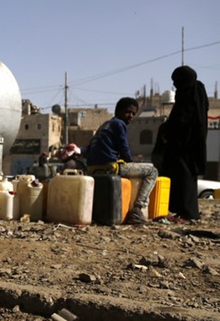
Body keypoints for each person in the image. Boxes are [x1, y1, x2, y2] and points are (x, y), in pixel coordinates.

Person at [86, 97, 157, 225]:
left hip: (93, 168)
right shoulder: (119, 124)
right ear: (118, 111)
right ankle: (137, 209)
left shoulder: (105, 125)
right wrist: (130, 162)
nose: (131, 116)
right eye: (128, 112)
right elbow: (124, 149)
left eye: (133, 114)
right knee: (152, 171)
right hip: (111, 167)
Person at [157, 66, 208, 222]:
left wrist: (167, 133)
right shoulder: (198, 92)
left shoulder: (186, 95)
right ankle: (184, 211)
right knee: (186, 177)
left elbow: (181, 120)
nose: (175, 84)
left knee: (182, 177)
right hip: (193, 144)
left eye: (176, 81)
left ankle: (186, 212)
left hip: (182, 145)